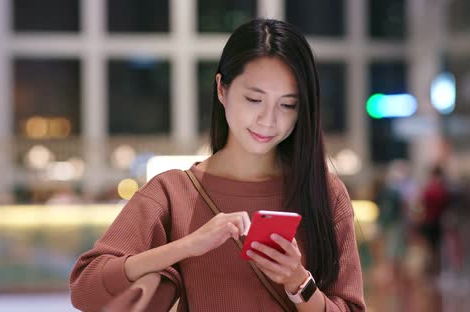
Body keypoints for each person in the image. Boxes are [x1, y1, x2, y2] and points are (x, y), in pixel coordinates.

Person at [70, 19, 365, 311]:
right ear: (222, 89)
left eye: (287, 105)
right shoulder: (173, 192)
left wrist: (298, 281)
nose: (268, 120)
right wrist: (185, 246)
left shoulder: (324, 193)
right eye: (254, 99)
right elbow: (86, 289)